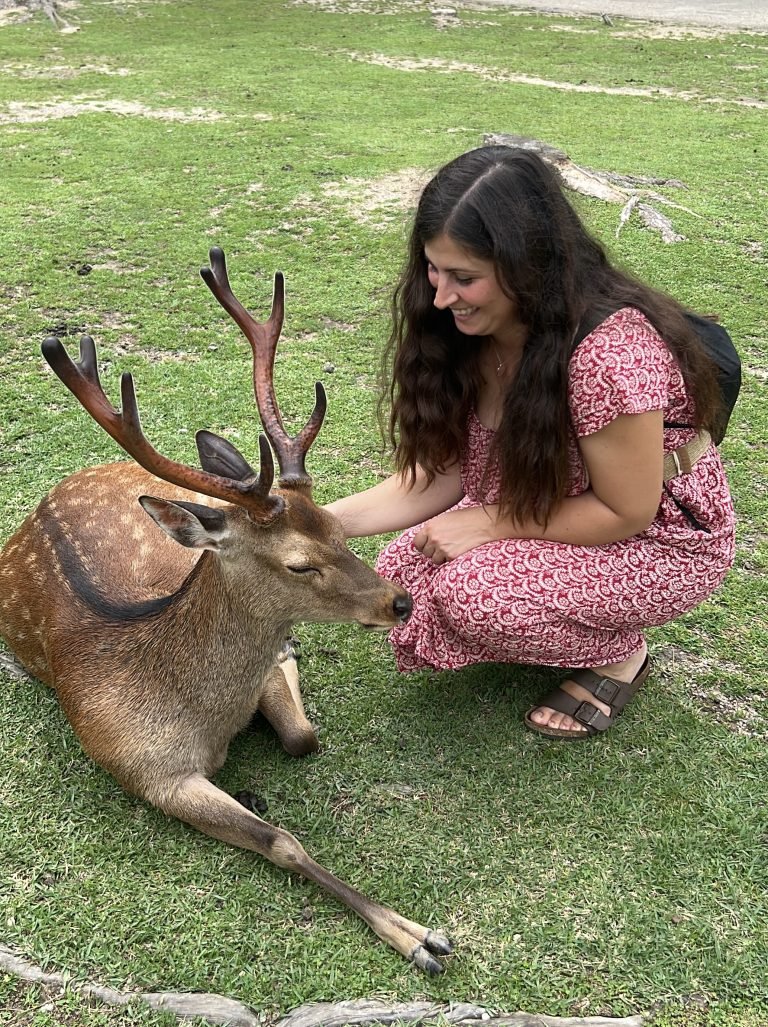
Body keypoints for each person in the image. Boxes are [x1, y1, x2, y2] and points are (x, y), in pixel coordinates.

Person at [324, 145, 735, 740]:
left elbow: (627, 510)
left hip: (656, 540)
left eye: (464, 278)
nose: (440, 296)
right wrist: (315, 524)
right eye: (433, 270)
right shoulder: (469, 329)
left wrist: (489, 522)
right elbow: (444, 474)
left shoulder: (608, 356)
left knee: (473, 596)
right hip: (543, 497)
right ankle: (552, 609)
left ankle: (620, 653)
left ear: (526, 267)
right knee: (403, 572)